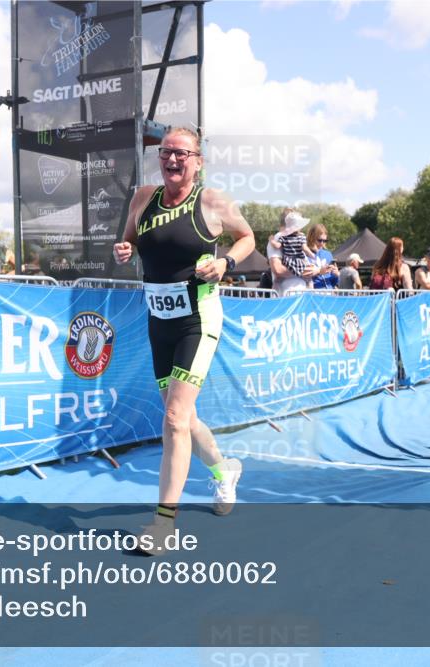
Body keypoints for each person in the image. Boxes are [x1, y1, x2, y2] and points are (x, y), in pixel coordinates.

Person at [112, 127, 254, 554]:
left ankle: (163, 524)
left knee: (174, 418)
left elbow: (247, 238)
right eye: (165, 152)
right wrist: (123, 250)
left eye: (182, 153)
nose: (172, 159)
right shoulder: (143, 198)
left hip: (198, 319)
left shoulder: (212, 201)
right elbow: (129, 241)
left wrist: (226, 263)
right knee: (184, 419)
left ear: (198, 161)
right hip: (159, 322)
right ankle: (224, 470)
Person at [267, 208, 316, 296]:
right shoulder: (279, 237)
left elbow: (310, 269)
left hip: (299, 294)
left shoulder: (298, 236)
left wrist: (316, 270)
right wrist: (302, 271)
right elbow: (278, 270)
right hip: (287, 295)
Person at [268, 210, 313, 277]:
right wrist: (314, 270)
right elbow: (278, 270)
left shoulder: (295, 236)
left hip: (296, 279)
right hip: (292, 283)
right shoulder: (280, 236)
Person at [307, 223, 339, 289]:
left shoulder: (328, 254)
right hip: (314, 292)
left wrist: (336, 275)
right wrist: (319, 271)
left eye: (325, 241)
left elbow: (334, 282)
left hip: (329, 292)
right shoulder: (305, 254)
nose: (322, 243)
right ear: (311, 238)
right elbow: (304, 275)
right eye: (319, 240)